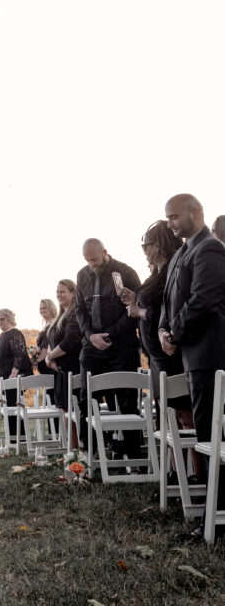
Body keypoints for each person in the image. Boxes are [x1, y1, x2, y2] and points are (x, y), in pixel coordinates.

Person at [159, 193, 225, 538]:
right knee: (205, 431)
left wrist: (177, 333)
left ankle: (216, 513)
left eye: (174, 217)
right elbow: (168, 300)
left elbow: (203, 299)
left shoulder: (210, 249)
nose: (171, 224)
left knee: (212, 434)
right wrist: (162, 330)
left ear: (195, 212)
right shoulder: (181, 253)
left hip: (209, 352)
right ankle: (212, 509)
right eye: (168, 219)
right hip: (190, 352)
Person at [74, 238, 141, 456]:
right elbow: (79, 310)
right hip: (92, 345)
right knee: (86, 397)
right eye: (87, 260)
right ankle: (91, 451)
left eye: (94, 259)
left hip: (121, 344)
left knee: (127, 399)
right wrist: (91, 335)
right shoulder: (82, 275)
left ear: (104, 252)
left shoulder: (126, 273)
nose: (91, 264)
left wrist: (109, 335)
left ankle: (132, 454)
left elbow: (133, 310)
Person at [120, 220, 185, 407]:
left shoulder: (170, 272)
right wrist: (135, 301)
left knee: (179, 410)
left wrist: (140, 311)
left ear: (158, 246)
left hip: (168, 352)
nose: (145, 252)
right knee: (165, 410)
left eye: (146, 247)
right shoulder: (158, 272)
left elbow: (168, 311)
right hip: (154, 354)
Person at [0, 308, 32, 443]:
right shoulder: (3, 335)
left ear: (10, 319)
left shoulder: (14, 334)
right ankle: (13, 440)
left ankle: (19, 441)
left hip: (11, 380)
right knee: (5, 411)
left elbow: (19, 354)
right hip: (1, 381)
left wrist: (13, 374)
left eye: (2, 319)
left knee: (13, 411)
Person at [44, 279, 82, 414]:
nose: (59, 295)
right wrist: (50, 359)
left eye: (62, 292)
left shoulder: (75, 313)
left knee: (74, 411)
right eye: (57, 292)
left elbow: (69, 342)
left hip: (72, 369)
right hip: (60, 371)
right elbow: (50, 341)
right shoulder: (59, 317)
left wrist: (49, 357)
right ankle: (66, 437)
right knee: (64, 410)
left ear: (73, 293)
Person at [35, 298, 57, 375]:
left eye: (45, 308)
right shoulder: (45, 326)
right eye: (40, 308)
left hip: (49, 365)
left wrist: (35, 362)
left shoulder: (53, 325)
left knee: (51, 386)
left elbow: (46, 349)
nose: (42, 310)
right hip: (43, 366)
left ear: (51, 308)